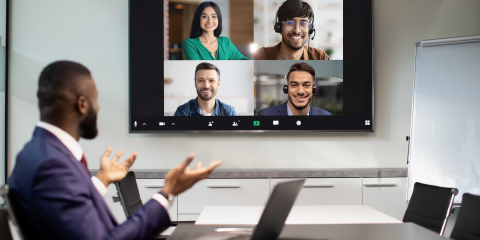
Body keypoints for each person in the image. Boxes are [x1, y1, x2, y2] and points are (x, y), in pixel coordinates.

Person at [7, 61, 222, 240]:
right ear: (82, 105)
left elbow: (69, 215)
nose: (98, 107)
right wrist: (168, 192)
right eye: (95, 99)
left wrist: (100, 180)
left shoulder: (39, 152)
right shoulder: (50, 164)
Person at [254, 0, 330, 60]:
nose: (297, 31)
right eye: (290, 23)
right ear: (279, 27)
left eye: (303, 23)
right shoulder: (259, 57)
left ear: (310, 29)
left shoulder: (320, 57)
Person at [182, 2, 251, 60]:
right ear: (198, 19)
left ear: (218, 20)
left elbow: (242, 60)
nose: (209, 21)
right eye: (204, 16)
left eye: (214, 17)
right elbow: (197, 67)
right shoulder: (189, 44)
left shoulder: (225, 42)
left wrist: (258, 60)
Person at [258, 62, 331, 116]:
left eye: (306, 85)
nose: (300, 91)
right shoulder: (265, 115)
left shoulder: (326, 116)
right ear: (286, 88)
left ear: (314, 89)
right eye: (294, 85)